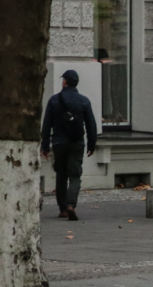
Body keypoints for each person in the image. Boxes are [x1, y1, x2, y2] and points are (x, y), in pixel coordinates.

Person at [40, 69, 97, 221]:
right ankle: (71, 204)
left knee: (61, 175)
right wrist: (92, 145)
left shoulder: (54, 100)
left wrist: (44, 146)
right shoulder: (84, 101)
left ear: (64, 82)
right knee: (75, 176)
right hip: (77, 143)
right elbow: (91, 125)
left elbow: (46, 125)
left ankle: (63, 209)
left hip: (59, 143)